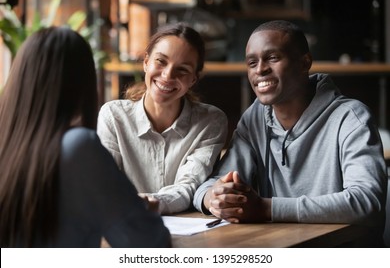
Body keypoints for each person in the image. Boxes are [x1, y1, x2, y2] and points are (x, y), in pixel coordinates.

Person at [193, 20, 388, 246]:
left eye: (272, 58)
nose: (260, 69)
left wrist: (266, 208)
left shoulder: (351, 117)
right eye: (252, 62)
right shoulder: (254, 118)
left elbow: (367, 201)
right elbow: (216, 182)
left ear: (305, 62)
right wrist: (212, 198)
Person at [0, 27, 170, 248]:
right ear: (83, 84)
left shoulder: (8, 143)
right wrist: (135, 210)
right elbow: (149, 244)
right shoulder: (78, 147)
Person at [97, 22, 228, 214]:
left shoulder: (211, 122)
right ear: (146, 62)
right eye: (161, 61)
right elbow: (106, 184)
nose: (167, 75)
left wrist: (152, 204)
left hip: (189, 234)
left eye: (182, 69)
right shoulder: (113, 117)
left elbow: (189, 186)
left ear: (193, 79)